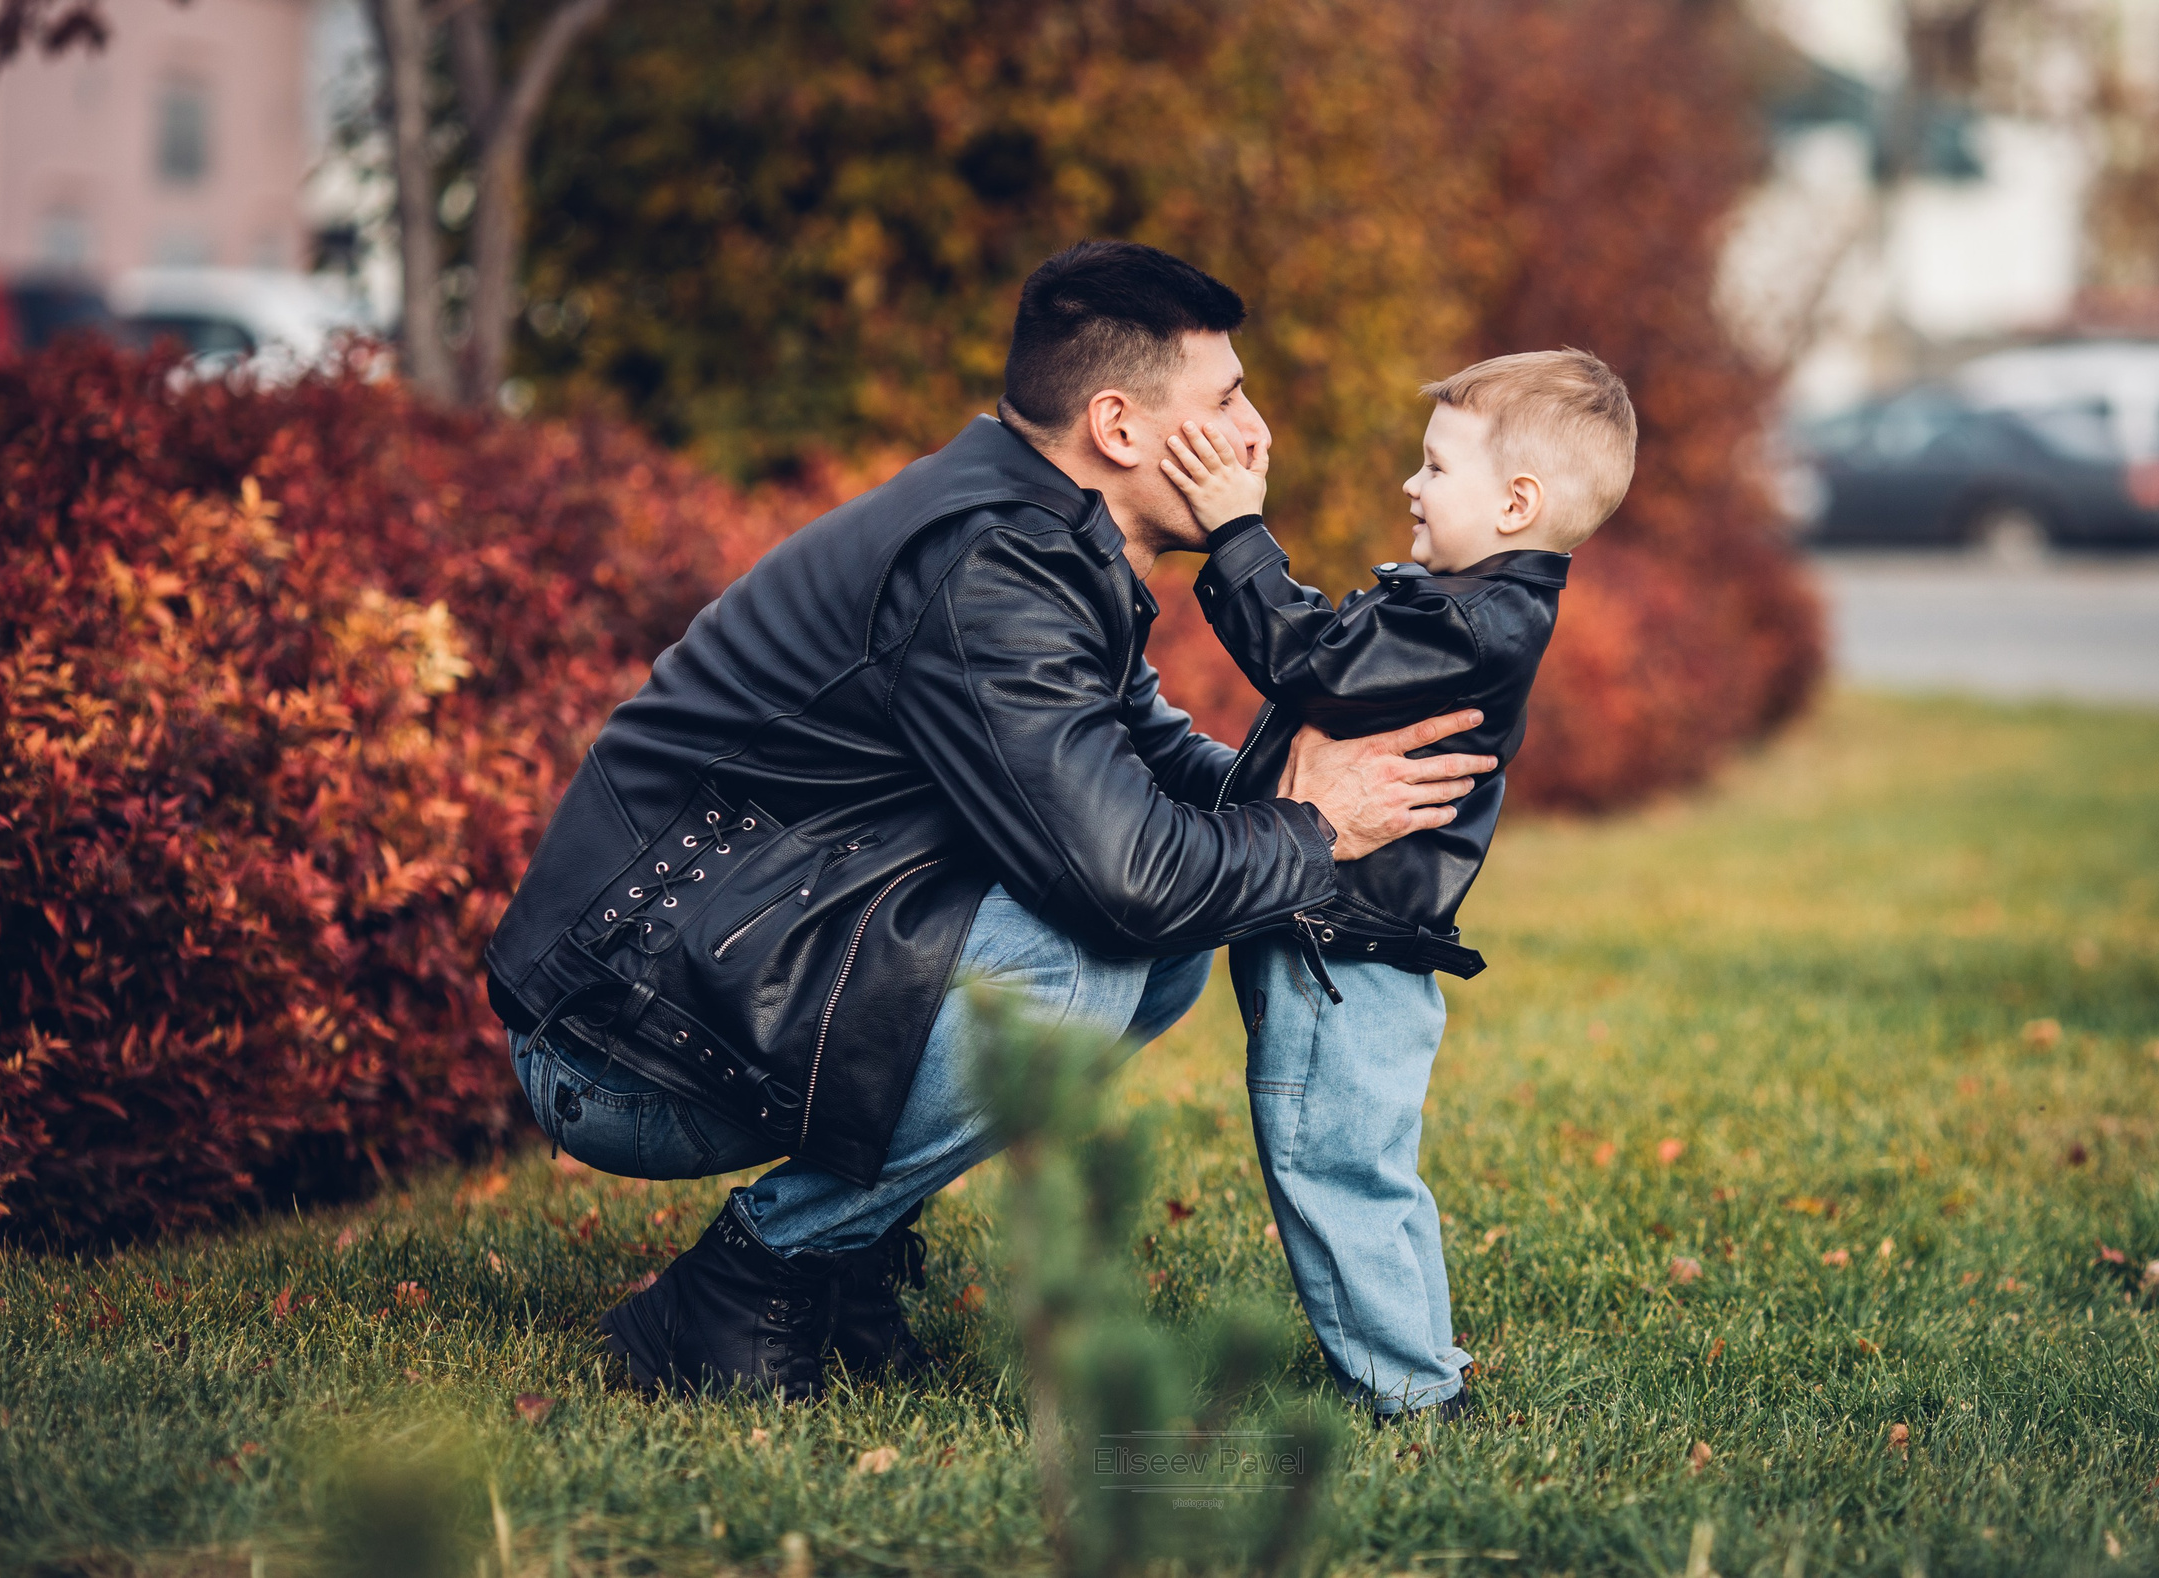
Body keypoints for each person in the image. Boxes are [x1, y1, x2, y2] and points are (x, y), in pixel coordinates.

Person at [481, 240, 1501, 1401]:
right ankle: (749, 1277)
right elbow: (1127, 878)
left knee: (1159, 942)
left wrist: (1307, 789)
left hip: (726, 974)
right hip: (622, 1043)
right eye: (1226, 400)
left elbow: (1143, 760)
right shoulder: (992, 567)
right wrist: (1312, 829)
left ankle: (843, 1255)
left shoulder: (1038, 535)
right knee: (1090, 962)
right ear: (1117, 427)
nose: (1256, 433)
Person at [1160, 348, 1638, 1421]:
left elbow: (1313, 663)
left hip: (1344, 943)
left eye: (1436, 467)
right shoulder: (1466, 608)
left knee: (1331, 1163)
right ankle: (1424, 1363)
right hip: (1358, 939)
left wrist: (1237, 533)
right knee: (1366, 1158)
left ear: (1516, 503)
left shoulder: (1470, 622)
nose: (1411, 485)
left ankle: (1410, 1391)